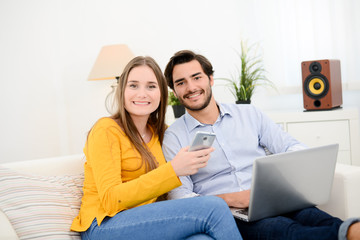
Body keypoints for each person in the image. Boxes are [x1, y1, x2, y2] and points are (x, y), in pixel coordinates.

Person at [162, 50, 360, 240]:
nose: (191, 87)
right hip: (229, 213)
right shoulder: (174, 136)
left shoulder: (249, 114)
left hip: (273, 199)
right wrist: (232, 199)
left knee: (318, 218)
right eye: (181, 83)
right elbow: (179, 196)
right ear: (174, 91)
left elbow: (292, 146)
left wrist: (280, 182)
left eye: (197, 77)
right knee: (284, 231)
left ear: (210, 79)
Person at [70, 56, 242, 240]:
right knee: (214, 207)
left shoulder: (162, 134)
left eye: (151, 86)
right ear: (122, 91)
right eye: (133, 85)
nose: (142, 94)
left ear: (161, 93)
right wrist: (173, 170)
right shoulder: (106, 129)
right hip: (104, 225)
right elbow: (112, 200)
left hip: (147, 221)